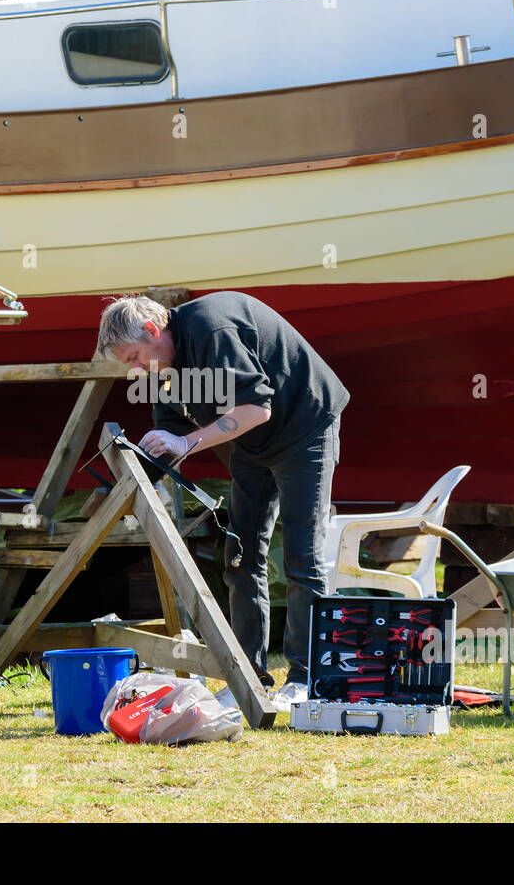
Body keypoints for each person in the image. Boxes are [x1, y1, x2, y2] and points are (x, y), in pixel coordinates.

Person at [96, 292, 349, 710]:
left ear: (153, 330)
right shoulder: (164, 368)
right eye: (129, 365)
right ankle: (247, 677)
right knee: (240, 555)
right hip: (251, 444)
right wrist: (132, 482)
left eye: (136, 357)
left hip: (304, 426)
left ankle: (305, 679)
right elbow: (172, 437)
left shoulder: (212, 329)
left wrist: (186, 441)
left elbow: (256, 409)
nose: (136, 370)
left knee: (302, 555)